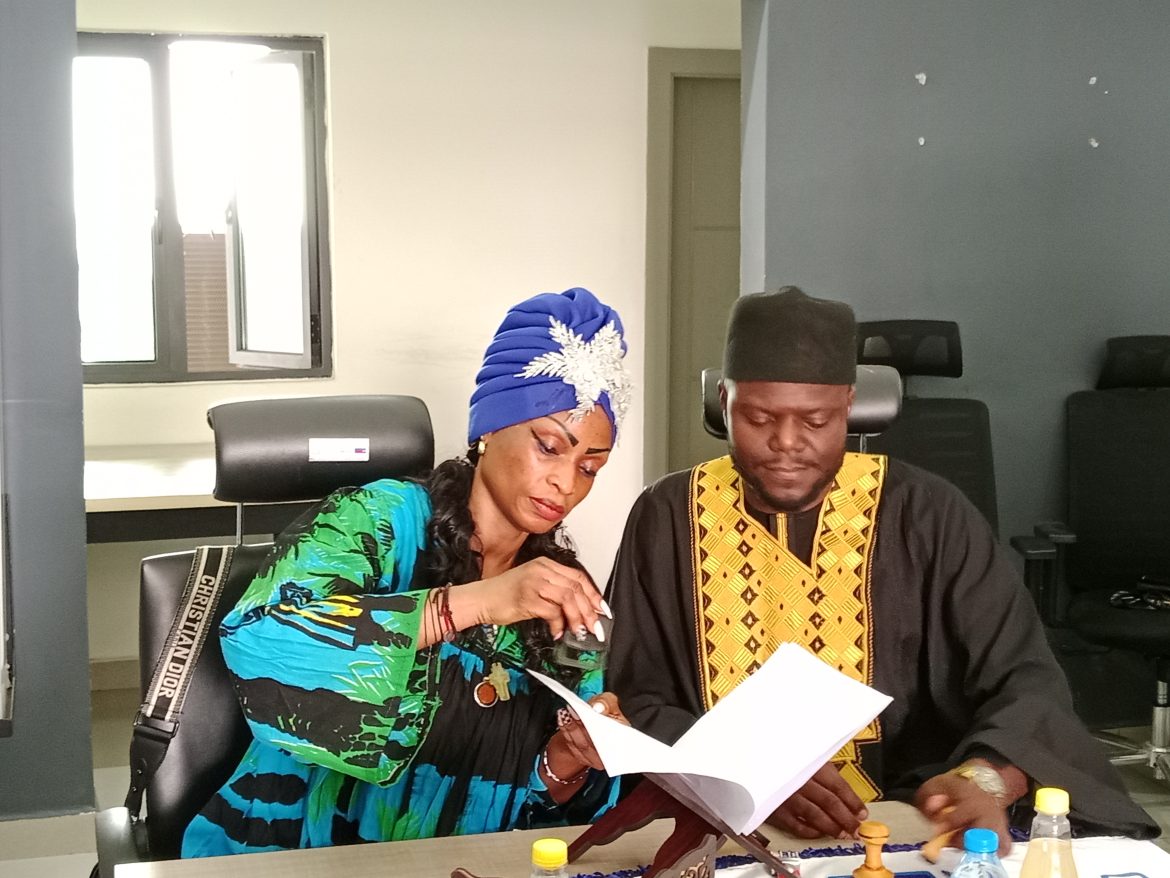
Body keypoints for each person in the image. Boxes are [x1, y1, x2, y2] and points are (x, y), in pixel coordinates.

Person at [605, 287, 1158, 853]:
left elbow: (1025, 679)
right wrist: (743, 766)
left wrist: (985, 779)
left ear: (848, 404)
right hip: (724, 826)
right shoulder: (666, 514)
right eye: (759, 417)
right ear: (724, 401)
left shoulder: (928, 514)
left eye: (815, 420)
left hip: (909, 820)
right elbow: (628, 697)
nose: (786, 444)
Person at [183, 287, 634, 856]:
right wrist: (476, 602)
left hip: (465, 863)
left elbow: (543, 813)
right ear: (488, 430)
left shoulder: (565, 597)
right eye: (548, 446)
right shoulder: (378, 521)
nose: (565, 483)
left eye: (590, 467)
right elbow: (260, 640)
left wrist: (568, 757)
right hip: (304, 853)